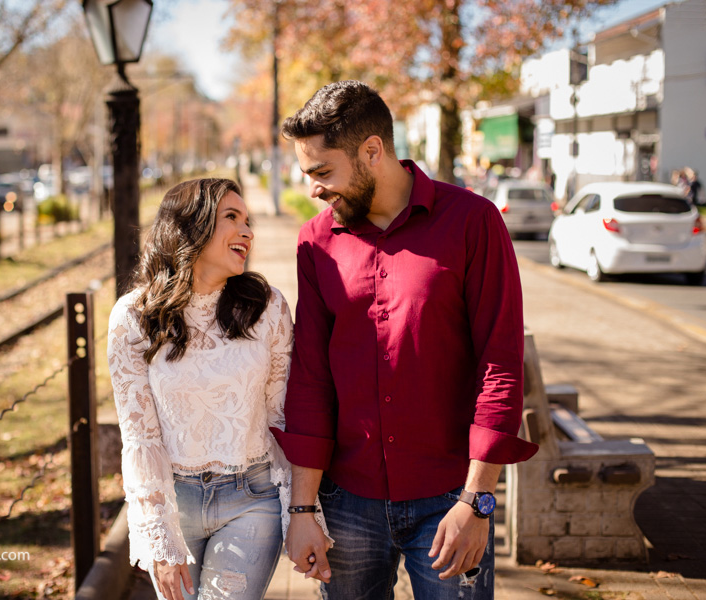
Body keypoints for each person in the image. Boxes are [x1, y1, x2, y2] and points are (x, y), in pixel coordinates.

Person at [272, 81, 539, 600]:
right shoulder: (315, 242)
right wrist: (303, 510)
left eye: (323, 172)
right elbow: (310, 375)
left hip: (450, 501)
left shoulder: (473, 221)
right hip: (346, 500)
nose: (314, 190)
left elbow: (500, 365)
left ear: (373, 150)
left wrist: (477, 503)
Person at [107, 178, 328, 600]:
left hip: (253, 498)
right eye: (232, 218)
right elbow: (140, 437)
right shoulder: (132, 318)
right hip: (175, 501)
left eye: (249, 221)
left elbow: (282, 414)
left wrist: (302, 511)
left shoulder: (267, 307)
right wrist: (158, 538)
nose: (247, 232)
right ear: (191, 227)